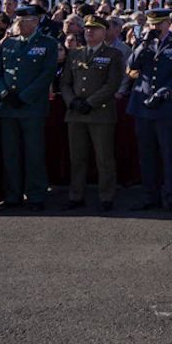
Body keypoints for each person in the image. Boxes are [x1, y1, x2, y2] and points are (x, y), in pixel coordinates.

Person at [0, 4, 58, 211]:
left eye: (22, 21)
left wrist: (24, 96)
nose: (17, 24)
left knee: (33, 153)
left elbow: (46, 74)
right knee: (11, 153)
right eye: (16, 21)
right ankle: (13, 194)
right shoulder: (8, 44)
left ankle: (36, 194)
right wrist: (3, 93)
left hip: (32, 107)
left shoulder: (47, 44)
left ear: (35, 22)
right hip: (8, 107)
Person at [127, 7, 172, 214]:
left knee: (169, 154)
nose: (155, 27)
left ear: (167, 23)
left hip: (166, 106)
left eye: (159, 24)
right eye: (152, 24)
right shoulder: (144, 42)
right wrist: (143, 43)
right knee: (146, 155)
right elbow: (132, 65)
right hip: (142, 105)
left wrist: (164, 92)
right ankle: (150, 197)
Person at [59, 15, 124, 211]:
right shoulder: (75, 54)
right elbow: (65, 83)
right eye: (87, 28)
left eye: (94, 28)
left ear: (104, 32)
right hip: (76, 113)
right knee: (77, 157)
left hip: (100, 113)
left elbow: (112, 84)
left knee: (103, 158)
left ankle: (106, 196)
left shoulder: (113, 55)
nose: (89, 31)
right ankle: (76, 195)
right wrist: (72, 101)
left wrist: (90, 102)